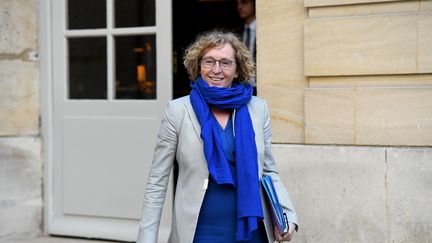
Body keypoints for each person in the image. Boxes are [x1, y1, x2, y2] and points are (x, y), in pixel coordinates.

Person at [137, 30, 298, 243]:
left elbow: (269, 171)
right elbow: (157, 180)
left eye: (225, 63)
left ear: (237, 68)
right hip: (201, 230)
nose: (216, 70)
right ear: (198, 65)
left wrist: (288, 216)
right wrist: (147, 237)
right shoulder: (177, 110)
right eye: (209, 61)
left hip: (251, 229)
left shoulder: (258, 109)